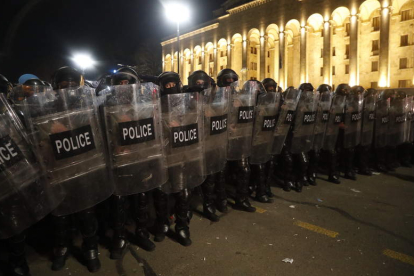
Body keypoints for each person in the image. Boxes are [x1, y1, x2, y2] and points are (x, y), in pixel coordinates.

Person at [22, 66, 114, 272]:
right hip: (58, 168)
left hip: (84, 166)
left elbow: (99, 134)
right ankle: (62, 248)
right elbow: (36, 136)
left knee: (86, 211)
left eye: (72, 86)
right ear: (56, 87)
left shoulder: (88, 105)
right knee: (61, 215)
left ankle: (90, 248)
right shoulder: (45, 108)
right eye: (64, 86)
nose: (69, 90)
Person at [99, 67, 167, 258]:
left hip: (140, 159)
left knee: (141, 199)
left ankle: (142, 232)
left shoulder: (146, 105)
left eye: (127, 85)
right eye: (120, 85)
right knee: (119, 202)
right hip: (118, 162)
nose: (124, 89)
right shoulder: (104, 106)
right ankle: (119, 237)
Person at [0, 94, 63, 276]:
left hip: (21, 173)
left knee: (20, 217)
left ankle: (20, 260)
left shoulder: (13, 115)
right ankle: (17, 261)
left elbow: (28, 142)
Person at [153, 71, 206, 246]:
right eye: (166, 85)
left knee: (183, 192)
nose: (170, 88)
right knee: (162, 194)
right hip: (163, 155)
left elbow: (197, 120)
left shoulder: (188, 102)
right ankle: (162, 224)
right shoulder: (155, 104)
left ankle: (183, 226)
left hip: (183, 153)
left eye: (172, 84)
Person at [188, 70, 228, 222]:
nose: (200, 86)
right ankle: (186, 209)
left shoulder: (213, 97)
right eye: (197, 83)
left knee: (210, 176)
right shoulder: (184, 96)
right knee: (190, 179)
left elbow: (220, 113)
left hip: (209, 142)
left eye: (203, 83)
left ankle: (208, 205)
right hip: (191, 144)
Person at [219, 69, 256, 212]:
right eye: (226, 81)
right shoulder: (214, 96)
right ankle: (221, 200)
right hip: (221, 140)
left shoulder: (241, 97)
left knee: (244, 169)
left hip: (238, 138)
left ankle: (241, 199)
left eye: (232, 81)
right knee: (221, 171)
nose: (229, 84)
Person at [249, 79, 280, 202]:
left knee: (268, 164)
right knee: (259, 167)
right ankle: (260, 192)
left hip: (266, 137)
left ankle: (265, 188)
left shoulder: (272, 101)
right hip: (255, 138)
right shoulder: (250, 101)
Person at [307, 84, 332, 185]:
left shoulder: (329, 104)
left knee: (316, 154)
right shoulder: (311, 102)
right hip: (309, 132)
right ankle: (306, 175)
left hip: (321, 132)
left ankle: (312, 173)